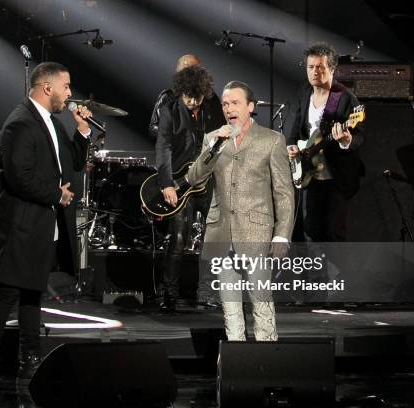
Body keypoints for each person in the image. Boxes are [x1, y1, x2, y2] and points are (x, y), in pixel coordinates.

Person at [0, 62, 91, 387]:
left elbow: (74, 163)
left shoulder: (51, 124)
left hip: (40, 225)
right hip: (19, 224)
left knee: (32, 295)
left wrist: (82, 131)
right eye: (66, 86)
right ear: (47, 87)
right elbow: (17, 177)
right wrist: (56, 195)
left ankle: (30, 361)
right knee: (6, 293)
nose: (70, 94)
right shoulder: (20, 123)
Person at [187, 81, 294, 341]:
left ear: (250, 106)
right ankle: (237, 361)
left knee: (261, 301)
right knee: (230, 308)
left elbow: (284, 192)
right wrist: (215, 147)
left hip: (257, 233)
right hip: (222, 233)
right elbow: (194, 179)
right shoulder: (213, 139)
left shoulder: (271, 140)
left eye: (235, 102)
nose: (229, 108)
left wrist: (282, 235)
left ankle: (267, 358)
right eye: (225, 103)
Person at [155, 65, 225, 313]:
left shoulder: (212, 107)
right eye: (188, 97)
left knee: (213, 239)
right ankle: (169, 293)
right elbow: (163, 148)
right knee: (178, 238)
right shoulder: (169, 110)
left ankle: (207, 291)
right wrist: (166, 184)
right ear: (181, 92)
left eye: (197, 97)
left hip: (208, 181)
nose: (193, 102)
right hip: (179, 182)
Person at [287, 42, 364, 242]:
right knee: (312, 230)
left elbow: (360, 137)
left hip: (336, 176)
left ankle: (338, 273)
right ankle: (317, 273)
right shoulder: (305, 93)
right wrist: (292, 146)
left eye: (320, 67)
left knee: (334, 233)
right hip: (311, 174)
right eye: (310, 67)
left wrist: (346, 140)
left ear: (331, 68)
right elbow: (296, 130)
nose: (314, 72)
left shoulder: (345, 98)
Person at [148, 54, 222, 141]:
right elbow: (154, 128)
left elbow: (221, 125)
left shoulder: (211, 98)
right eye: (184, 69)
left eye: (193, 69)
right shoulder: (168, 97)